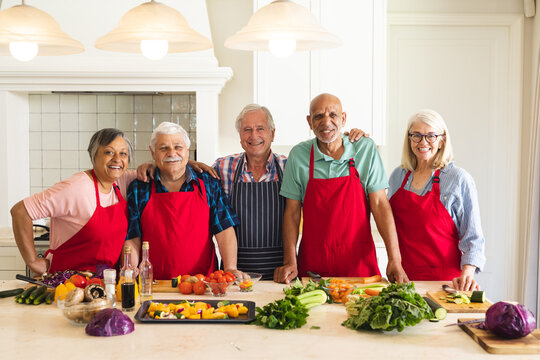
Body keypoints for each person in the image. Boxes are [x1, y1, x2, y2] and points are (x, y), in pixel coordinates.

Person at [274, 93, 408, 284]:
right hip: (313, 268)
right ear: (309, 122)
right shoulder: (299, 155)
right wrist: (290, 261)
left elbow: (379, 204)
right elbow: (292, 213)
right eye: (318, 116)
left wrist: (395, 259)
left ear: (343, 118)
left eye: (333, 115)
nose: (326, 122)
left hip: (359, 269)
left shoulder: (365, 149)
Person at [125, 122, 241, 280]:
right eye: (163, 148)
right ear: (153, 153)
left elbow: (224, 230)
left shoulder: (208, 183)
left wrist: (230, 269)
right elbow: (133, 237)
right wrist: (130, 268)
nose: (172, 153)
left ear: (187, 150)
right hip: (155, 284)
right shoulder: (139, 187)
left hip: (203, 283)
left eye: (178, 147)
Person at [11, 128, 136, 274]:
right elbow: (20, 211)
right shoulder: (77, 187)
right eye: (109, 152)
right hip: (66, 285)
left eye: (123, 154)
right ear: (94, 155)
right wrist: (32, 261)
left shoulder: (120, 183)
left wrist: (148, 167)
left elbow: (153, 171)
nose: (117, 159)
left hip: (103, 285)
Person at [388, 109, 485, 291]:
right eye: (416, 135)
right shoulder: (398, 176)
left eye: (431, 136)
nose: (423, 142)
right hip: (403, 281)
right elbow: (388, 223)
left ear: (442, 140)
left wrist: (467, 274)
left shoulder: (459, 179)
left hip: (445, 284)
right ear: (409, 140)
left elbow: (473, 238)